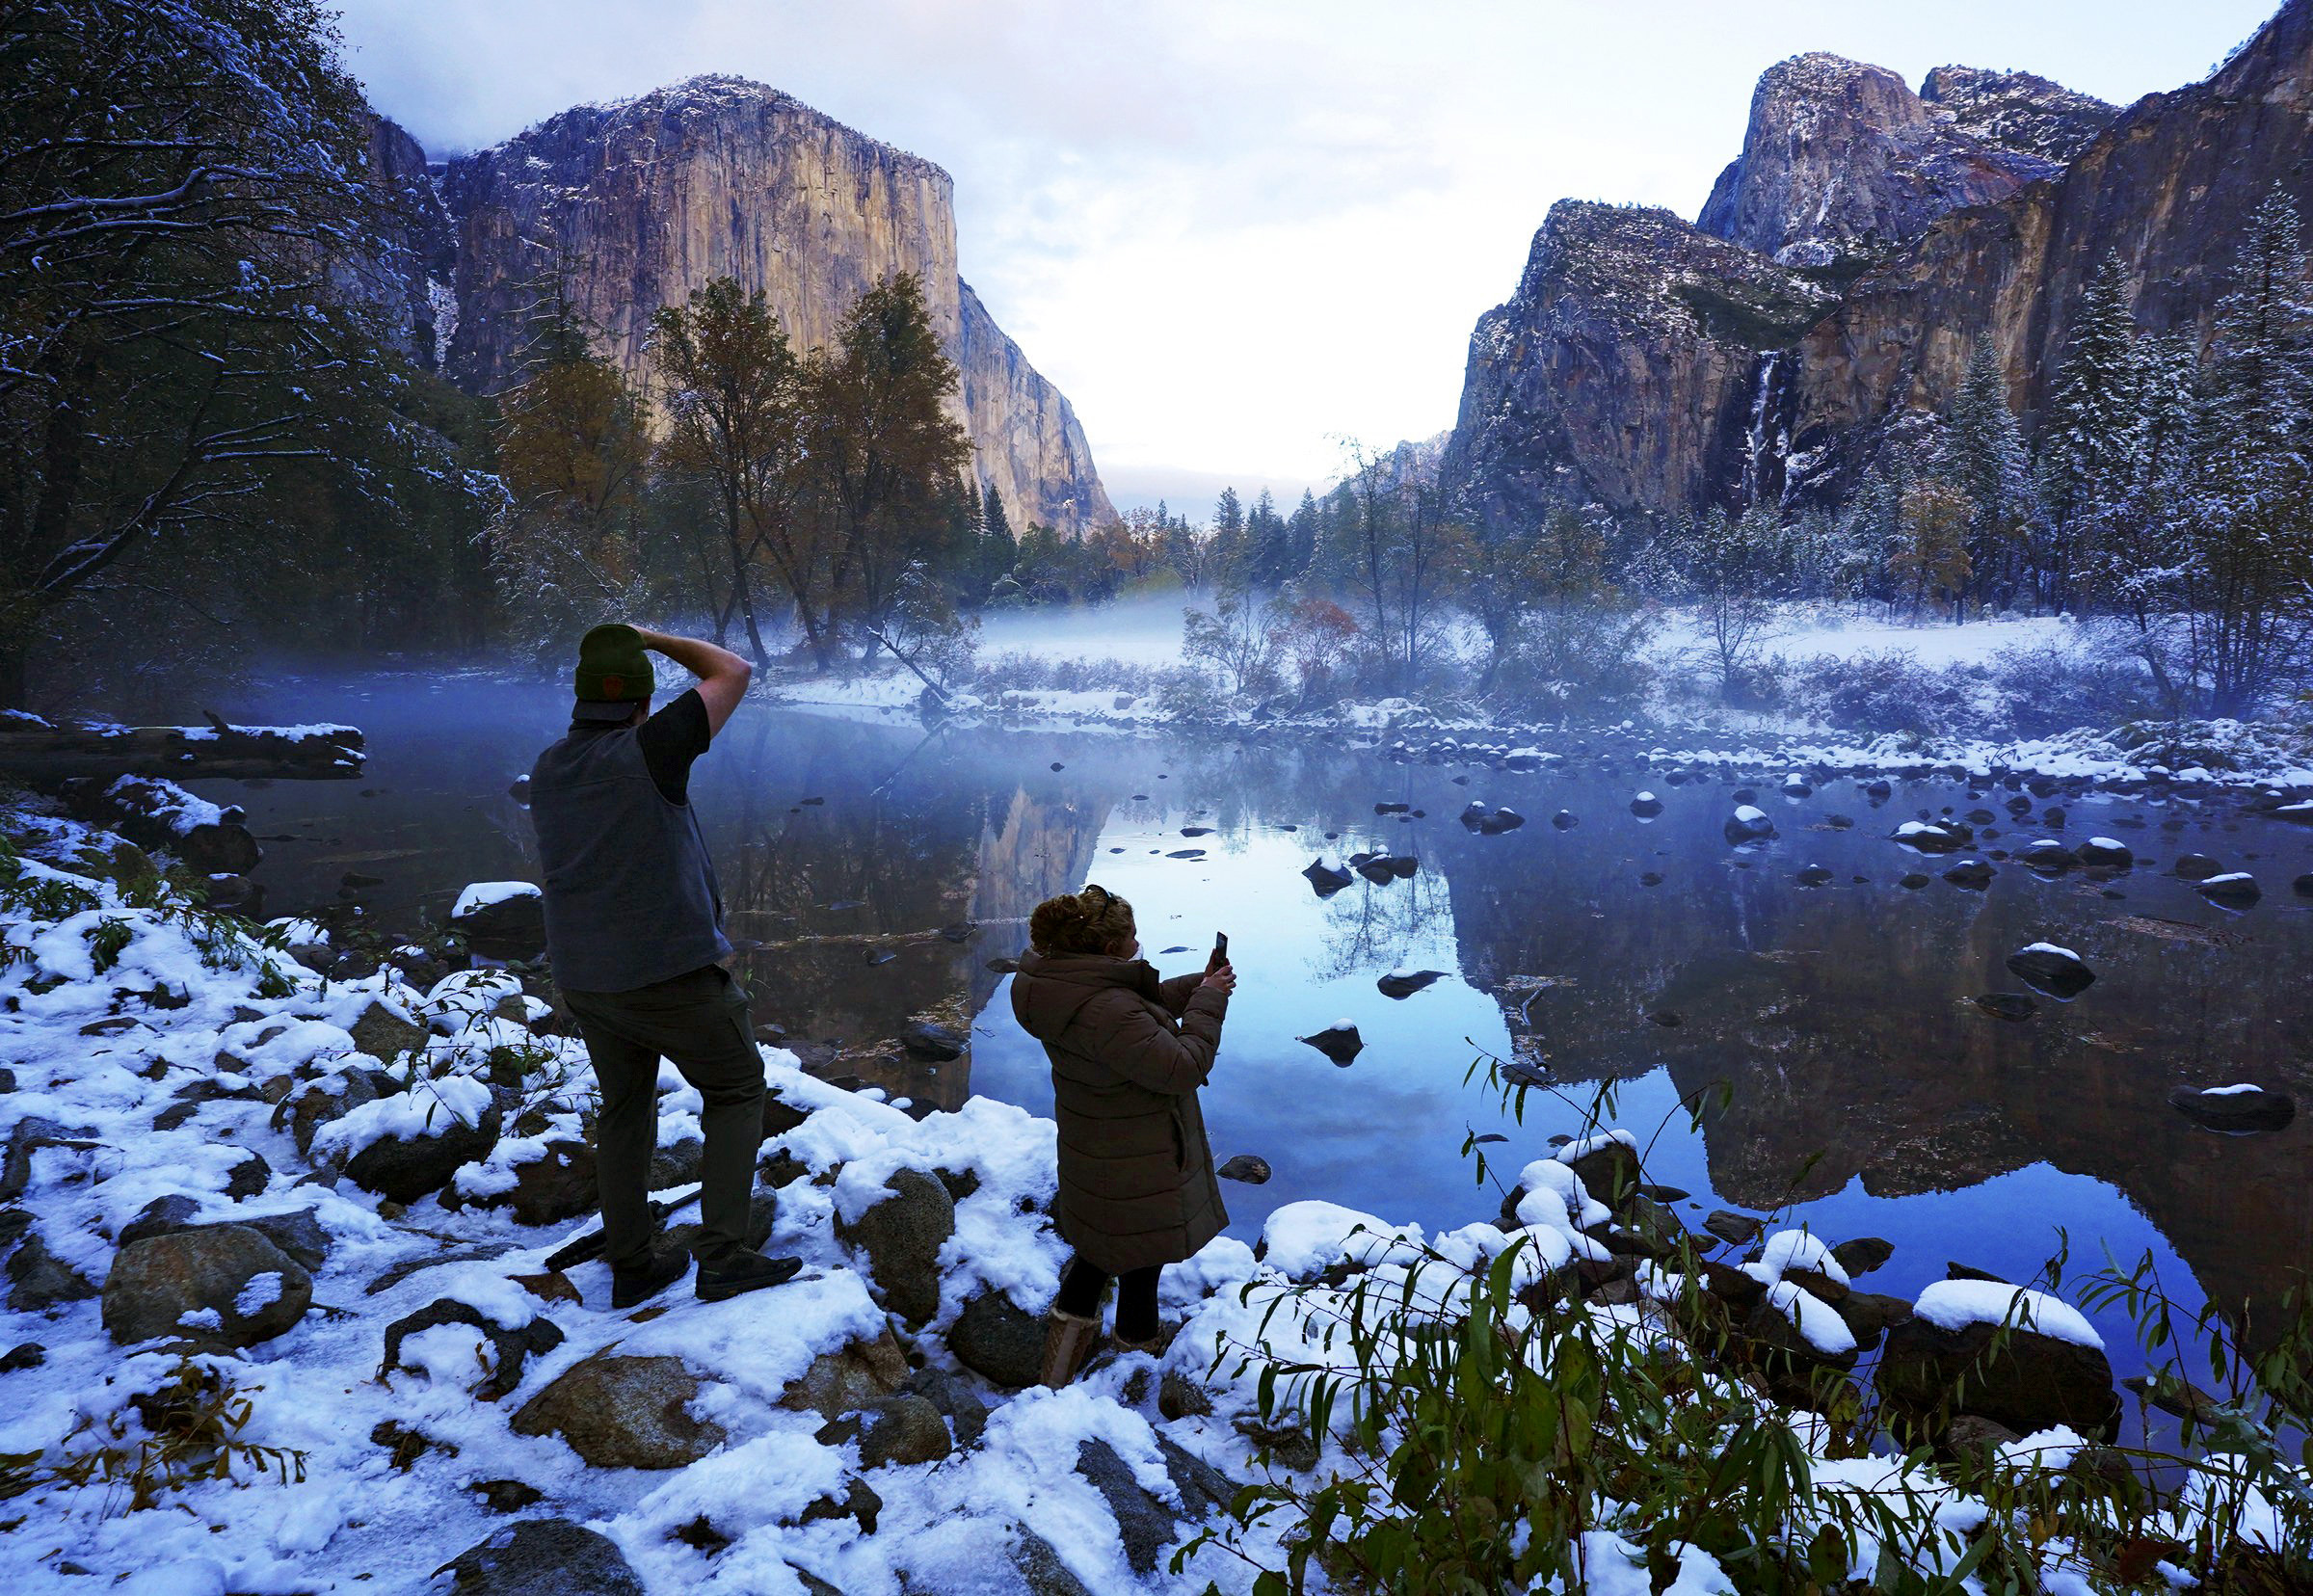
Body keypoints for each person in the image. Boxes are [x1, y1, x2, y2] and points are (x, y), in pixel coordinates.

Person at [527, 623, 802, 1308]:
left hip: (586, 977)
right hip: (668, 972)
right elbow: (733, 670)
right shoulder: (652, 748)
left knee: (625, 1108)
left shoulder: (550, 767)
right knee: (738, 1089)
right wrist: (650, 636)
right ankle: (724, 1256)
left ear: (580, 702)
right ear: (644, 705)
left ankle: (631, 1263)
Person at [1008, 884, 1235, 1385]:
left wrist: (1199, 986)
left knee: (1094, 1254)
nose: (1138, 941)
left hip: (1093, 1145)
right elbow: (1182, 1066)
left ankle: (1058, 1370)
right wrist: (1209, 1007)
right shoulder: (1107, 1009)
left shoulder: (1053, 985)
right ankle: (1134, 1372)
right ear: (1109, 950)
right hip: (1138, 1154)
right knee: (1141, 1262)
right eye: (1131, 936)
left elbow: (1136, 1009)